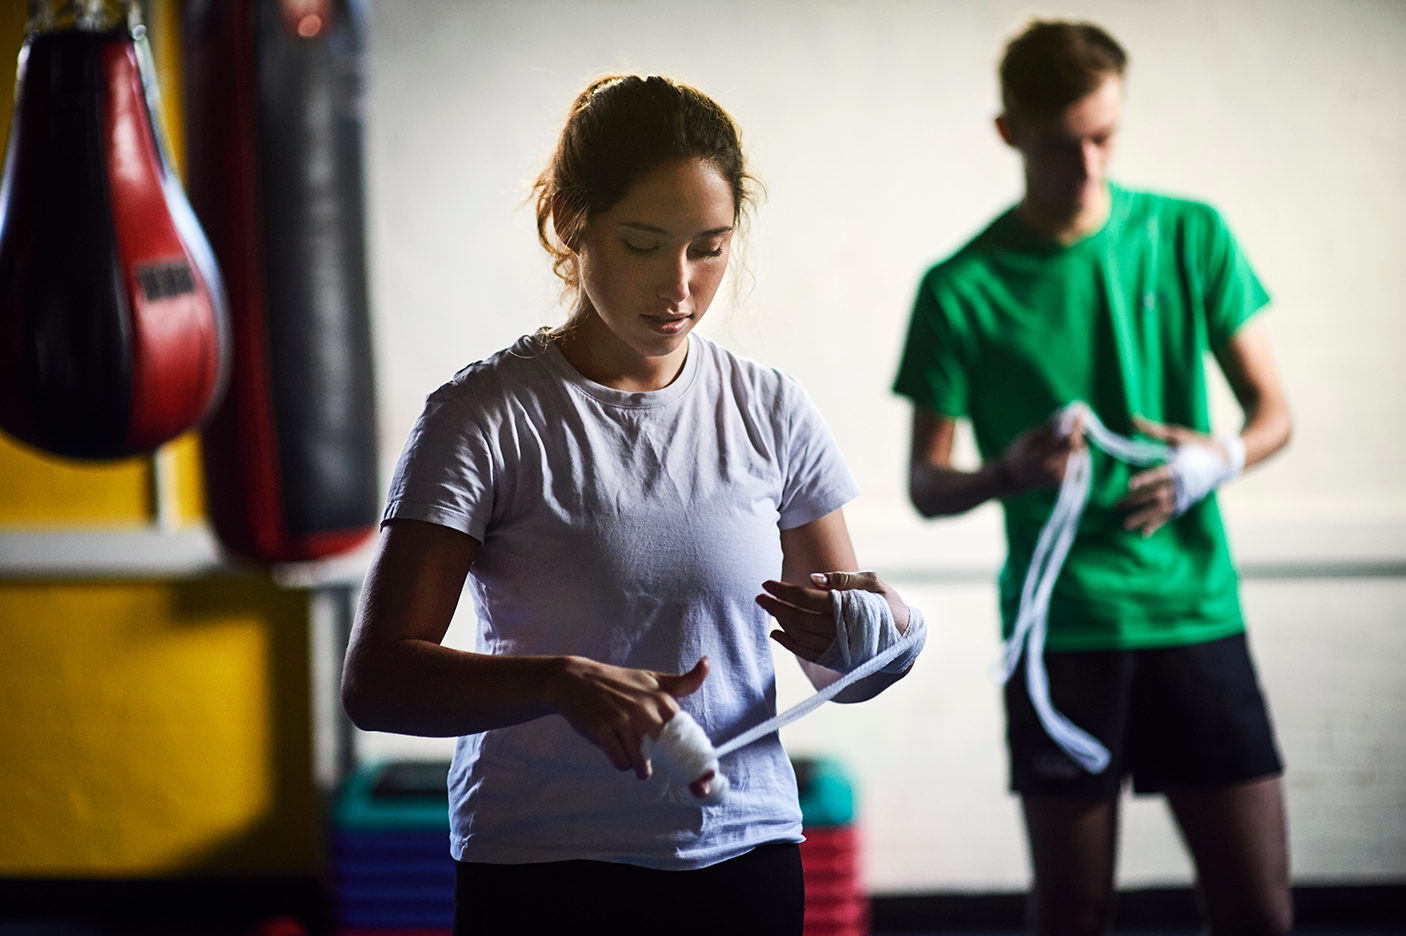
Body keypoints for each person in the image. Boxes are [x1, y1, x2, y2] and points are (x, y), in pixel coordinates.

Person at [342, 74, 921, 936]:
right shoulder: (484, 415)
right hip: (545, 868)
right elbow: (378, 682)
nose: (681, 285)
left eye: (710, 247)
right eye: (645, 243)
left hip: (745, 851)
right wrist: (555, 681)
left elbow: (851, 667)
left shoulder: (769, 410)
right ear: (569, 223)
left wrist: (876, 632)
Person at [892, 20, 1294, 936]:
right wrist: (1003, 472)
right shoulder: (960, 287)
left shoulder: (1191, 235)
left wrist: (1214, 460)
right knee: (1073, 908)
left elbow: (1275, 413)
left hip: (1196, 609)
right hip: (1062, 631)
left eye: (1105, 136)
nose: (1089, 164)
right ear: (1011, 132)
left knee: (1258, 909)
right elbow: (925, 482)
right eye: (1063, 141)